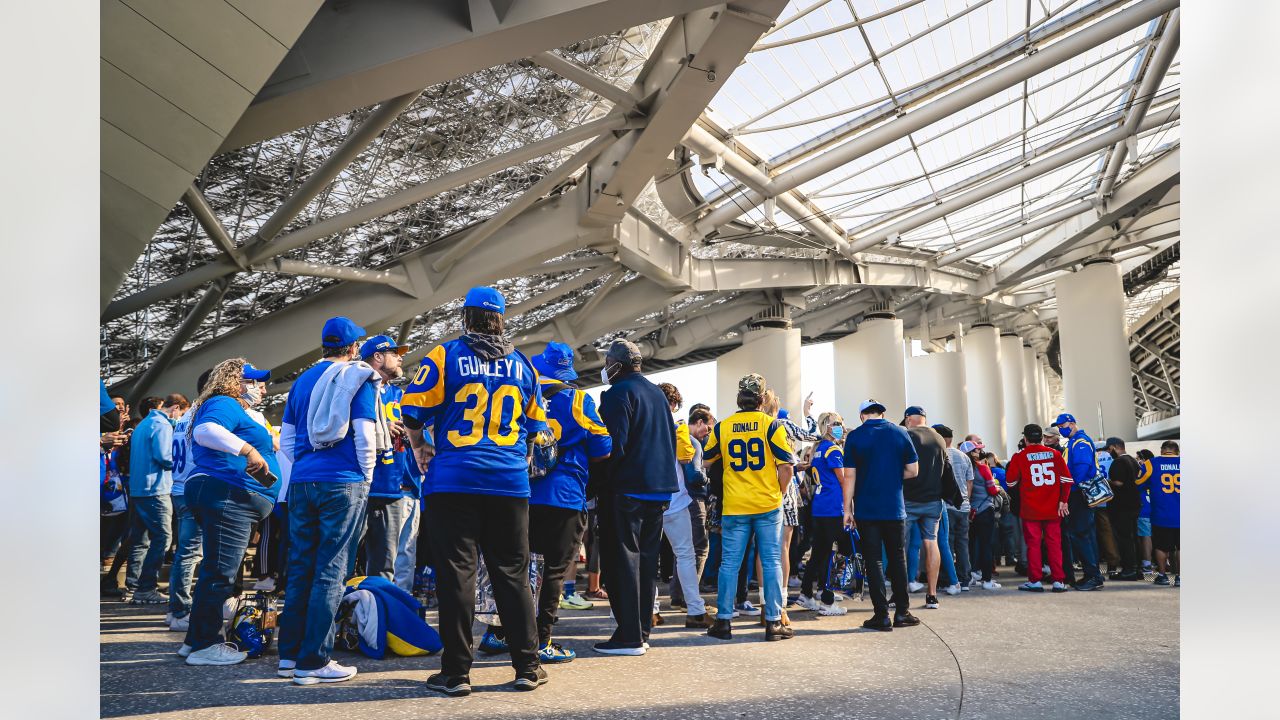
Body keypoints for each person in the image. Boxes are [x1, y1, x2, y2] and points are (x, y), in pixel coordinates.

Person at [400, 288, 552, 693]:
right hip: (508, 483)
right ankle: (528, 666)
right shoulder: (523, 365)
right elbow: (539, 429)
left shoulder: (445, 355)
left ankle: (456, 673)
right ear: (501, 319)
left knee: (456, 577)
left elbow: (412, 410)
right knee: (513, 575)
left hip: (453, 480)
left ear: (466, 317)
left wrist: (419, 445)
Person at [486, 342, 612, 661]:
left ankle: (496, 632)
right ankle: (541, 640)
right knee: (553, 570)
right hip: (563, 496)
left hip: (517, 492)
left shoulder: (518, 395)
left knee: (513, 567)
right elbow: (602, 447)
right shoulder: (578, 399)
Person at [277, 316, 378, 685]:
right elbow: (365, 435)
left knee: (301, 565)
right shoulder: (357, 377)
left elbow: (287, 441)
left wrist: (305, 465)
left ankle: (289, 654)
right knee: (332, 569)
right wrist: (365, 478)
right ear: (353, 348)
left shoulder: (302, 382)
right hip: (343, 480)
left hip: (303, 481)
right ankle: (314, 660)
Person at [179, 358, 280, 667]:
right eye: (254, 381)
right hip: (227, 493)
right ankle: (205, 645)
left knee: (214, 570)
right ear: (236, 382)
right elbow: (207, 431)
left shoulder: (230, 407)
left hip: (225, 493)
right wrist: (249, 450)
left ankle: (194, 641)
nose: (261, 387)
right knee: (220, 574)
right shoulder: (225, 402)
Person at [594, 339, 679, 655]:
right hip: (658, 490)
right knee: (646, 562)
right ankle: (641, 630)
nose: (604, 368)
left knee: (622, 563)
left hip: (626, 489)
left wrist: (597, 485)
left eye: (606, 363)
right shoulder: (657, 393)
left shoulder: (618, 394)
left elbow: (612, 447)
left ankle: (629, 636)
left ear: (617, 364)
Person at [703, 374, 795, 642]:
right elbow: (787, 466)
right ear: (762, 398)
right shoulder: (771, 425)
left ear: (739, 397)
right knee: (771, 561)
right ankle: (774, 622)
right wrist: (779, 491)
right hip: (767, 504)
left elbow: (707, 461)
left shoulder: (723, 427)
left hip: (735, 505)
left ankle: (723, 622)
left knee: (729, 564)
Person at [842, 400, 920, 631]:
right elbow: (913, 470)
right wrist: (892, 478)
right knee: (898, 558)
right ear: (883, 413)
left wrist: (847, 509)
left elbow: (849, 476)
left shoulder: (855, 437)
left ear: (862, 416)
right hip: (895, 507)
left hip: (867, 509)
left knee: (873, 559)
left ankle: (881, 615)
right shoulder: (900, 432)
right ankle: (903, 612)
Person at [358, 335, 418, 589]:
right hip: (364, 485)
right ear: (378, 357)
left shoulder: (399, 393)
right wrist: (380, 425)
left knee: (390, 564)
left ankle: (383, 620)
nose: (401, 357)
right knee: (346, 559)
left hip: (399, 486)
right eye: (395, 353)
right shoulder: (360, 390)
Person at [656, 383, 713, 629]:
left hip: (647, 498)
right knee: (686, 555)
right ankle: (695, 610)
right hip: (676, 500)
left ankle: (651, 611)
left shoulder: (643, 422)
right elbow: (686, 458)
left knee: (647, 559)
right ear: (674, 405)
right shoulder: (678, 429)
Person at [1004, 424, 1072, 592]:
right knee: (1054, 544)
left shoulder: (1020, 456)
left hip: (1030, 508)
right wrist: (1063, 501)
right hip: (1053, 507)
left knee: (1033, 545)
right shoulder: (1055, 454)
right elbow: (1067, 481)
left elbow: (1010, 482)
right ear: (1042, 438)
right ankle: (1058, 581)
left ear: (1025, 439)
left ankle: (1035, 580)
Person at [123, 396, 178, 605]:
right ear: (175, 408)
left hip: (138, 489)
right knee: (163, 538)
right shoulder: (161, 425)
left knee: (139, 540)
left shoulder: (144, 423)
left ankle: (133, 586)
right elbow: (165, 456)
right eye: (180, 413)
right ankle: (146, 588)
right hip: (156, 489)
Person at [797, 411, 851, 616]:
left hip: (820, 506)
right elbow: (844, 480)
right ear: (827, 427)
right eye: (836, 423)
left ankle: (807, 593)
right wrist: (849, 508)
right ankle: (827, 600)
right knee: (837, 553)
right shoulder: (833, 450)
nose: (840, 426)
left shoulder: (818, 449)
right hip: (833, 507)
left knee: (819, 552)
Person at [899, 407, 950, 610]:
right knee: (931, 542)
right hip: (933, 500)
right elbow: (946, 468)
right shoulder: (938, 438)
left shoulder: (907, 435)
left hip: (908, 498)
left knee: (899, 546)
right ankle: (932, 595)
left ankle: (900, 593)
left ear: (908, 419)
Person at [1052, 413, 1105, 591]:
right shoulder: (1075, 441)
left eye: (1063, 425)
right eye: (1058, 427)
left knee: (1081, 535)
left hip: (1078, 494)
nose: (1061, 429)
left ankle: (1094, 576)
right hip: (1078, 493)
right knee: (1085, 534)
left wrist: (1069, 489)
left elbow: (1081, 469)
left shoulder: (1080, 442)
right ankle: (1092, 574)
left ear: (1073, 423)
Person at [670, 406, 712, 615]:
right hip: (692, 499)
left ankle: (678, 597)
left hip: (673, 499)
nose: (707, 432)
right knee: (698, 549)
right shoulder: (692, 441)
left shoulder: (673, 434)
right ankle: (690, 601)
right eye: (707, 428)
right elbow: (695, 474)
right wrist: (708, 477)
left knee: (682, 552)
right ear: (698, 422)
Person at [165, 389, 201, 631]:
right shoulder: (199, 417)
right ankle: (180, 610)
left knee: (185, 552)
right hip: (190, 488)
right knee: (189, 554)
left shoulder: (183, 420)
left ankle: (174, 609)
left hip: (178, 487)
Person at [1136, 441, 1180, 587]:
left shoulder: (1150, 464)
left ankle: (1162, 576)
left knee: (1161, 547)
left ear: (1162, 450)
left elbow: (1138, 483)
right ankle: (1180, 577)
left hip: (1161, 514)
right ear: (1177, 451)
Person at [934, 425, 971, 593]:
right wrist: (965, 500)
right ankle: (964, 579)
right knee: (962, 544)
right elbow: (969, 482)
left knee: (945, 544)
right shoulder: (964, 456)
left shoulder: (939, 455)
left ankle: (947, 578)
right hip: (963, 506)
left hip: (946, 506)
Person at [963, 441, 1003, 589]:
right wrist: (997, 489)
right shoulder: (983, 468)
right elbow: (992, 491)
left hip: (969, 512)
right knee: (986, 545)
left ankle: (971, 575)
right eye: (977, 450)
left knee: (971, 545)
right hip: (985, 510)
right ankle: (987, 580)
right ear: (973, 453)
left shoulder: (963, 468)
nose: (980, 452)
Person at [1104, 438, 1143, 581]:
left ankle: (1128, 570)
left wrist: (1105, 481)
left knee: (1124, 539)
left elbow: (1118, 483)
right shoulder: (1133, 460)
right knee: (1134, 538)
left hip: (1121, 506)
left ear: (1115, 447)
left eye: (1109, 449)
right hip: (1134, 504)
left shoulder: (1119, 462)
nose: (1108, 453)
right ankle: (1137, 569)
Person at [1135, 448, 1156, 574]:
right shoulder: (1156, 470)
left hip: (1144, 509)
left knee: (1145, 536)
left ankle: (1147, 564)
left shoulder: (1143, 472)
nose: (1137, 461)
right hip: (1157, 508)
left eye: (1138, 459)